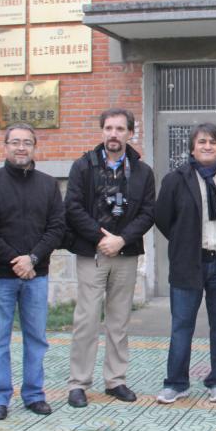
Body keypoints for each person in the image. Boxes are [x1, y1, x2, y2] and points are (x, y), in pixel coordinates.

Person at [64, 108, 155, 408]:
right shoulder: (83, 166)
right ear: (102, 131)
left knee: (119, 321)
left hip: (126, 253)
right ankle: (78, 383)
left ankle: (116, 380)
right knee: (87, 320)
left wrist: (122, 239)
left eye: (120, 129)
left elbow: (148, 213)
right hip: (93, 253)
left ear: (131, 133)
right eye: (109, 128)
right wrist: (100, 238)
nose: (114, 134)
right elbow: (73, 207)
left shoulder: (142, 171)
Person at [0, 124, 65, 420]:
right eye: (15, 142)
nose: (21, 148)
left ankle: (34, 394)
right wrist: (15, 261)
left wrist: (32, 259)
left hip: (36, 275)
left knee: (36, 338)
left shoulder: (48, 185)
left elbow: (57, 227)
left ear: (34, 147)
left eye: (27, 142)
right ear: (5, 146)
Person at [154, 123, 216, 404]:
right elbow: (163, 218)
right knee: (182, 326)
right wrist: (183, 242)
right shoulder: (175, 180)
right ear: (192, 148)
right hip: (188, 262)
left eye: (213, 142)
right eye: (202, 141)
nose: (207, 146)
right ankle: (176, 383)